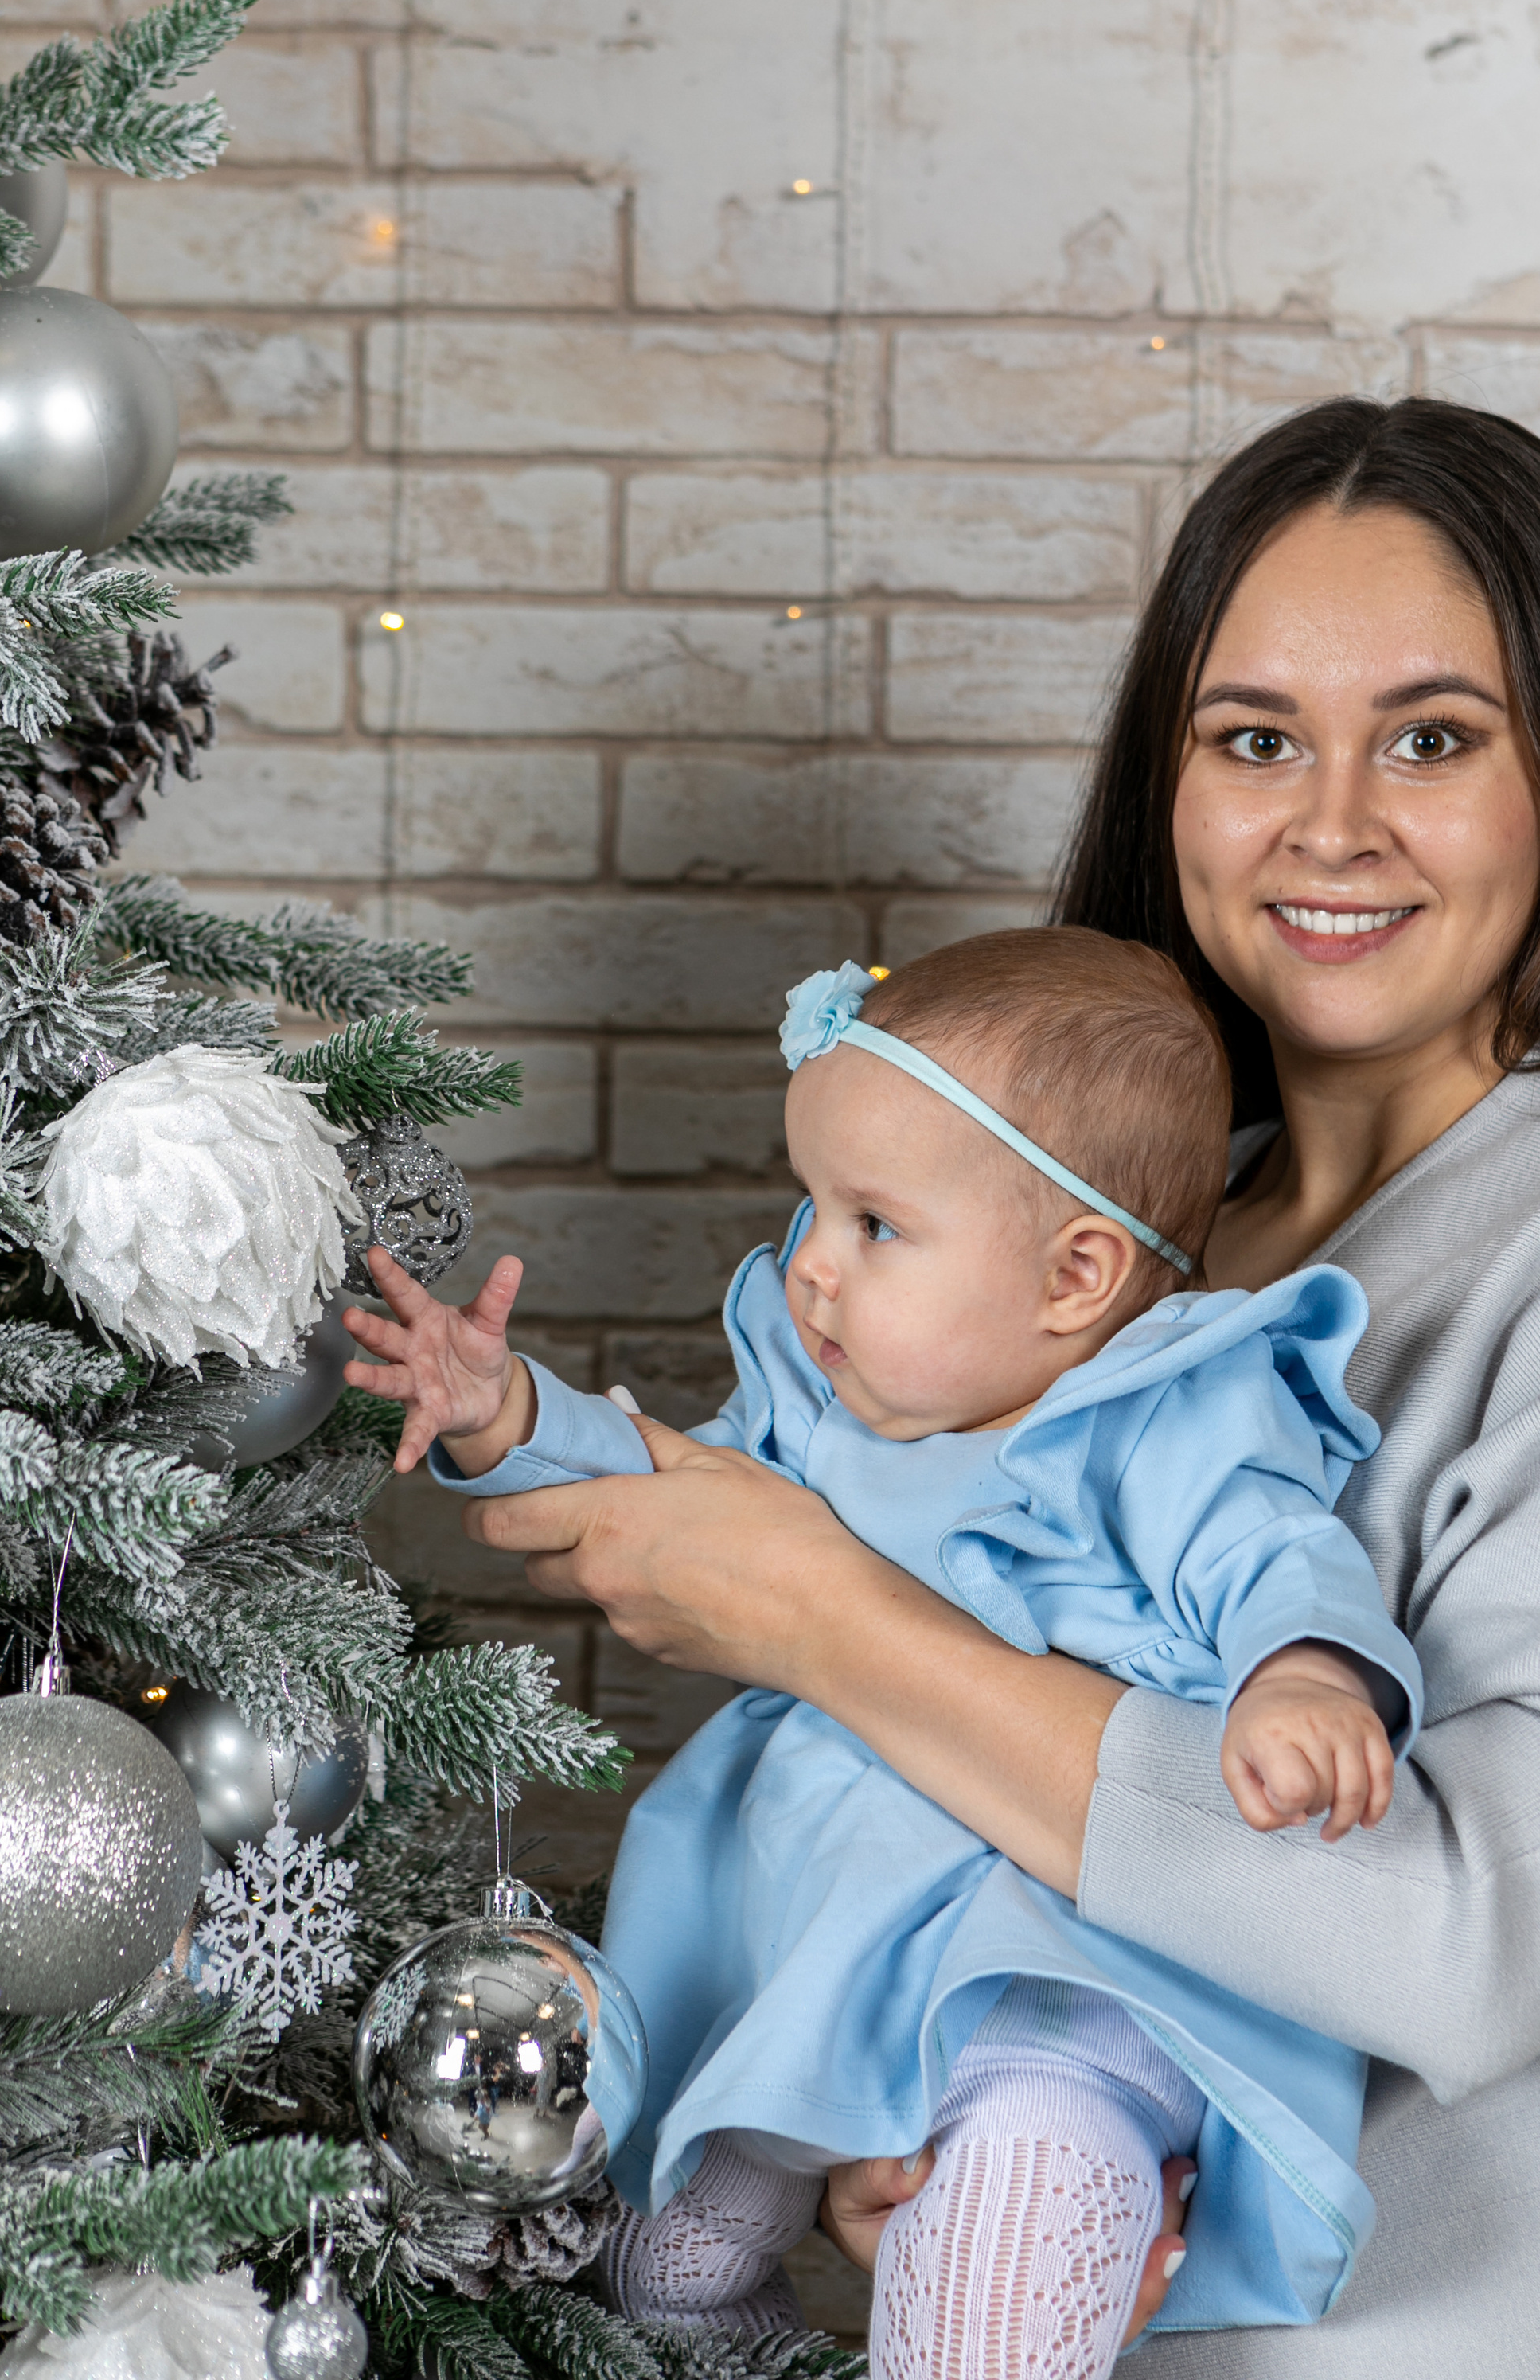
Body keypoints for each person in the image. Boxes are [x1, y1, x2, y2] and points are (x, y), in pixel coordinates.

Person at [411, 396, 1540, 2378]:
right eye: (1254, 739)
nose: (1331, 822)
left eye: (1433, 738)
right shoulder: (1084, 1256)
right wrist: (920, 2075)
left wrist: (823, 1621)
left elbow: (1505, 1915)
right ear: (1171, 778)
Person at [347, 926, 1425, 2371]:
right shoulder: (829, 1418)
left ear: (1076, 1275)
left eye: (877, 1227)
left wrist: (1304, 1674)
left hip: (1054, 1971)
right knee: (667, 2263)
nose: (815, 1274)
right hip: (820, 1943)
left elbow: (1280, 1559)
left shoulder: (1171, 1421)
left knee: (1003, 2245)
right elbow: (666, 1484)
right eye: (816, 1211)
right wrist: (505, 1415)